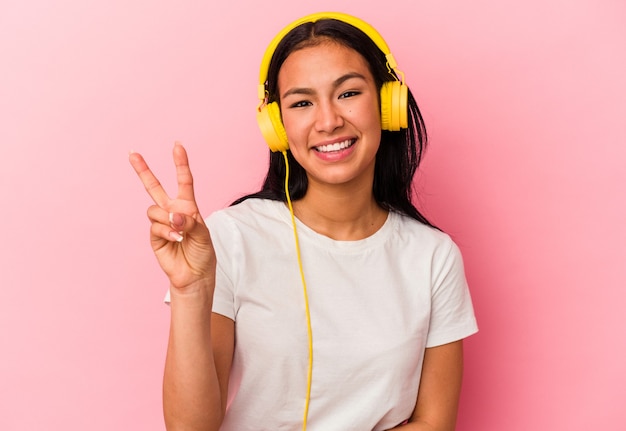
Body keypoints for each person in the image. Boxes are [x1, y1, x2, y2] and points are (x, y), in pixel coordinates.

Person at [129, 12, 477, 431]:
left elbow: (434, 424)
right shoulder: (231, 237)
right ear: (277, 126)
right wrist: (190, 292)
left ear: (387, 104)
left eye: (348, 93)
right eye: (301, 103)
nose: (328, 121)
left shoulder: (433, 257)